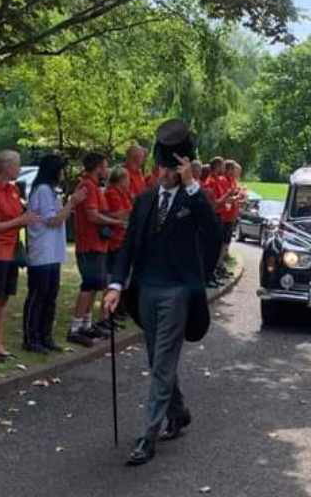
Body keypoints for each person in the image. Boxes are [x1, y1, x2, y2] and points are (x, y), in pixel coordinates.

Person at [104, 119, 222, 466]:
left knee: (163, 362)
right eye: (163, 168)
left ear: (184, 168)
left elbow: (214, 235)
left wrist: (192, 188)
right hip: (145, 290)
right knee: (158, 359)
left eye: (173, 169)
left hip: (177, 292)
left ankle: (148, 436)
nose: (165, 174)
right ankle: (179, 411)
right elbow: (127, 246)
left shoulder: (195, 199)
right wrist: (115, 285)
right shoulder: (143, 201)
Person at [0, 150, 40, 361]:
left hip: (11, 250)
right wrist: (18, 222)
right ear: (6, 167)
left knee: (3, 300)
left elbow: (19, 215)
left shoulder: (12, 190)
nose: (19, 169)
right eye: (17, 165)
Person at [23, 155, 86, 353]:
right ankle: (31, 337)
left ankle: (45, 335)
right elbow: (53, 220)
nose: (62, 174)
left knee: (50, 296)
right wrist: (72, 203)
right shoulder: (42, 190)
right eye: (60, 170)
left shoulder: (52, 191)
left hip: (52, 253)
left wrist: (68, 204)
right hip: (41, 252)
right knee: (38, 296)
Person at [68, 152, 125, 347]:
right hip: (89, 244)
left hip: (98, 244)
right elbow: (92, 216)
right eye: (105, 165)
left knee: (95, 285)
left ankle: (86, 324)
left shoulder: (94, 187)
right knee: (88, 285)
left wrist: (115, 216)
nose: (107, 169)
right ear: (98, 167)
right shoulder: (88, 186)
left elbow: (101, 212)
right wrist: (115, 221)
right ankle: (75, 327)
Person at [104, 165, 133, 323]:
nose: (129, 182)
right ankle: (113, 310)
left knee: (125, 275)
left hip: (123, 237)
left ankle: (122, 307)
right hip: (115, 240)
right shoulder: (112, 193)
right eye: (127, 178)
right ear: (121, 179)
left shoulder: (123, 193)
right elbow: (117, 214)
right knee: (115, 275)